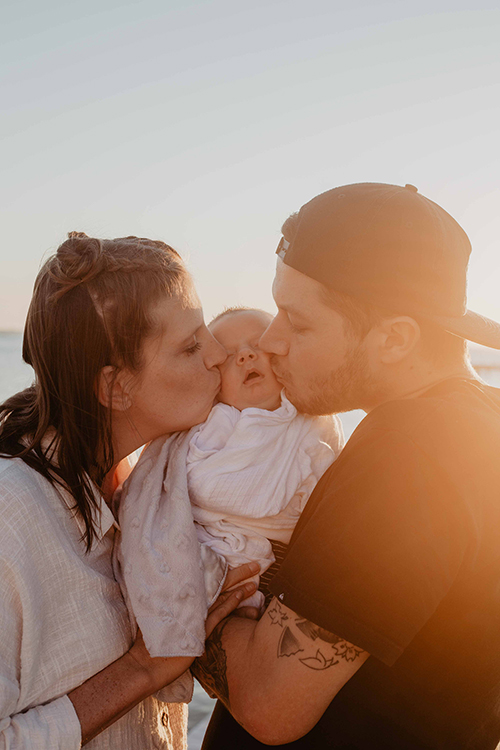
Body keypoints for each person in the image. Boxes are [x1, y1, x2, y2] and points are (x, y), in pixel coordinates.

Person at [194, 183, 500, 750]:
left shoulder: (410, 451)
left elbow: (269, 703)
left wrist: (156, 585)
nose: (270, 340)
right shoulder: (482, 428)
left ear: (395, 339)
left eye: (298, 322)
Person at [0, 232, 258, 749]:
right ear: (115, 387)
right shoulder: (11, 518)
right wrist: (143, 669)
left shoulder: (153, 482)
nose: (218, 354)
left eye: (205, 331)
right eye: (189, 346)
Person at [116, 307, 343, 703]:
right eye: (229, 356)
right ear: (215, 387)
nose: (246, 356)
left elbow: (328, 490)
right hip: (217, 541)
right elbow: (194, 486)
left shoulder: (311, 422)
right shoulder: (212, 425)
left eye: (258, 347)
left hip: (276, 562)